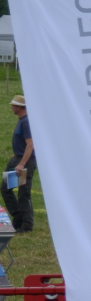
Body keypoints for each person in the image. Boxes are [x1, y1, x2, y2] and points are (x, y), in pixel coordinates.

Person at [4, 95, 35, 233]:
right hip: (17, 159)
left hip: (24, 162)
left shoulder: (26, 122)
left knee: (24, 193)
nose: (11, 107)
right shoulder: (21, 120)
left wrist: (22, 164)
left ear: (18, 107)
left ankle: (26, 225)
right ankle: (18, 217)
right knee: (5, 188)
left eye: (13, 105)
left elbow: (30, 145)